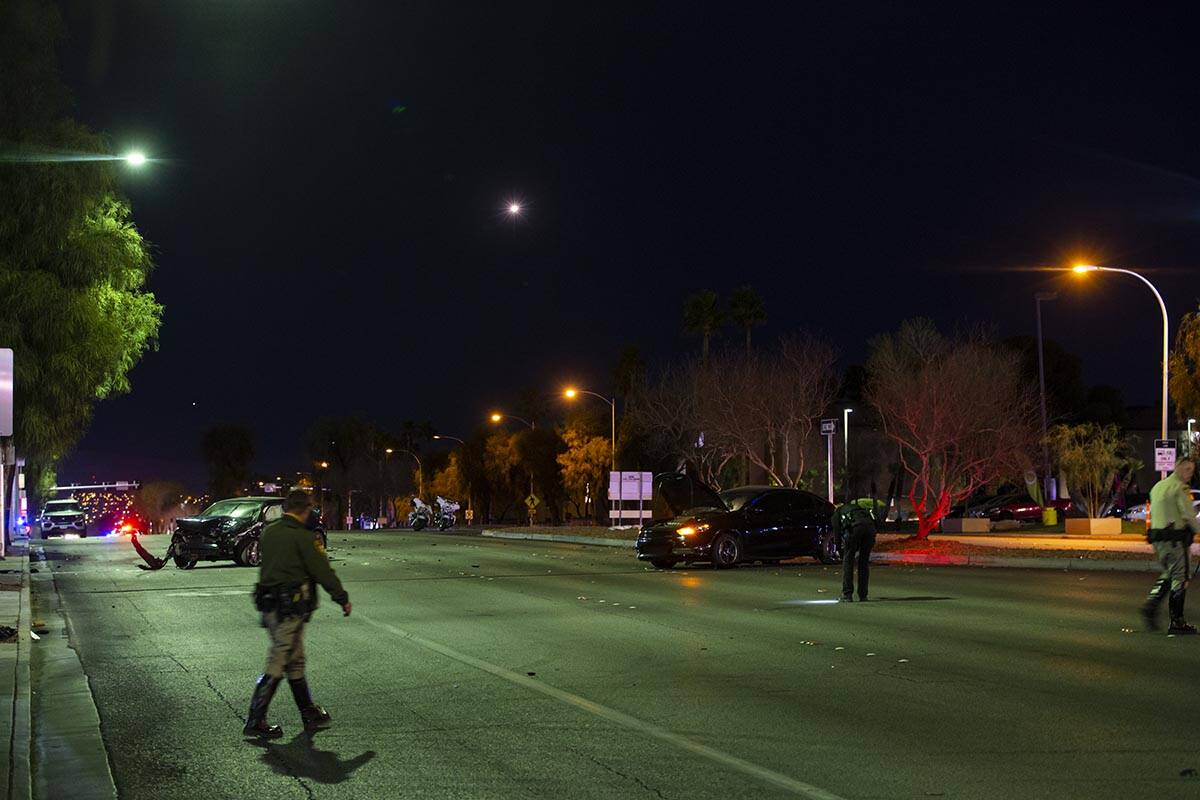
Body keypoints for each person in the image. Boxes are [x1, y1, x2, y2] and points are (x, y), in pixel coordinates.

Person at [244, 491, 351, 738]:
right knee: (279, 659)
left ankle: (307, 710)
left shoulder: (269, 532)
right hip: (290, 607)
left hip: (269, 604)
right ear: (305, 509)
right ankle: (255, 718)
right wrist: (342, 598)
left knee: (295, 659)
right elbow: (322, 571)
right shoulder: (304, 537)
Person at [1141, 459, 1200, 635]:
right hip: (1175, 540)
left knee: (1170, 573)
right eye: (1187, 469)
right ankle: (1177, 621)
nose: (1190, 473)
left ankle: (1150, 606)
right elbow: (1188, 516)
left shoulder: (1157, 487)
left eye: (1192, 470)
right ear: (1178, 468)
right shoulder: (1180, 488)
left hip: (1158, 540)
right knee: (1180, 577)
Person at [835, 501, 877, 602]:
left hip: (855, 529)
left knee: (848, 561)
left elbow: (836, 533)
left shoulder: (837, 513)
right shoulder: (858, 509)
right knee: (863, 562)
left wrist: (840, 552)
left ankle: (847, 594)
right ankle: (863, 595)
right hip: (870, 529)